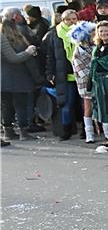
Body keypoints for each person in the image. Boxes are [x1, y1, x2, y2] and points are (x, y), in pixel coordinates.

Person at [1, 7, 41, 141]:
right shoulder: (15, 39)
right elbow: (14, 58)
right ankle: (24, 132)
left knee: (7, 106)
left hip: (2, 79)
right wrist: (28, 52)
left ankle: (8, 131)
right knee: (21, 105)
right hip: (19, 77)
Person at [43, 9, 80, 141]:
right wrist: (49, 74)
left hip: (81, 74)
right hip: (64, 75)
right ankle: (66, 129)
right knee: (66, 104)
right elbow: (50, 56)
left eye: (74, 19)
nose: (72, 22)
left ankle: (86, 131)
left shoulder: (83, 31)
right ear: (63, 20)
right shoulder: (55, 33)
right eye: (68, 19)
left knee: (84, 105)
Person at [68, 22, 98, 143]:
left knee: (100, 106)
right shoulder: (77, 52)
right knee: (88, 107)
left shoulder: (95, 48)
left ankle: (106, 132)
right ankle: (89, 133)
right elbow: (80, 70)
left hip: (96, 80)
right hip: (85, 83)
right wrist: (92, 78)